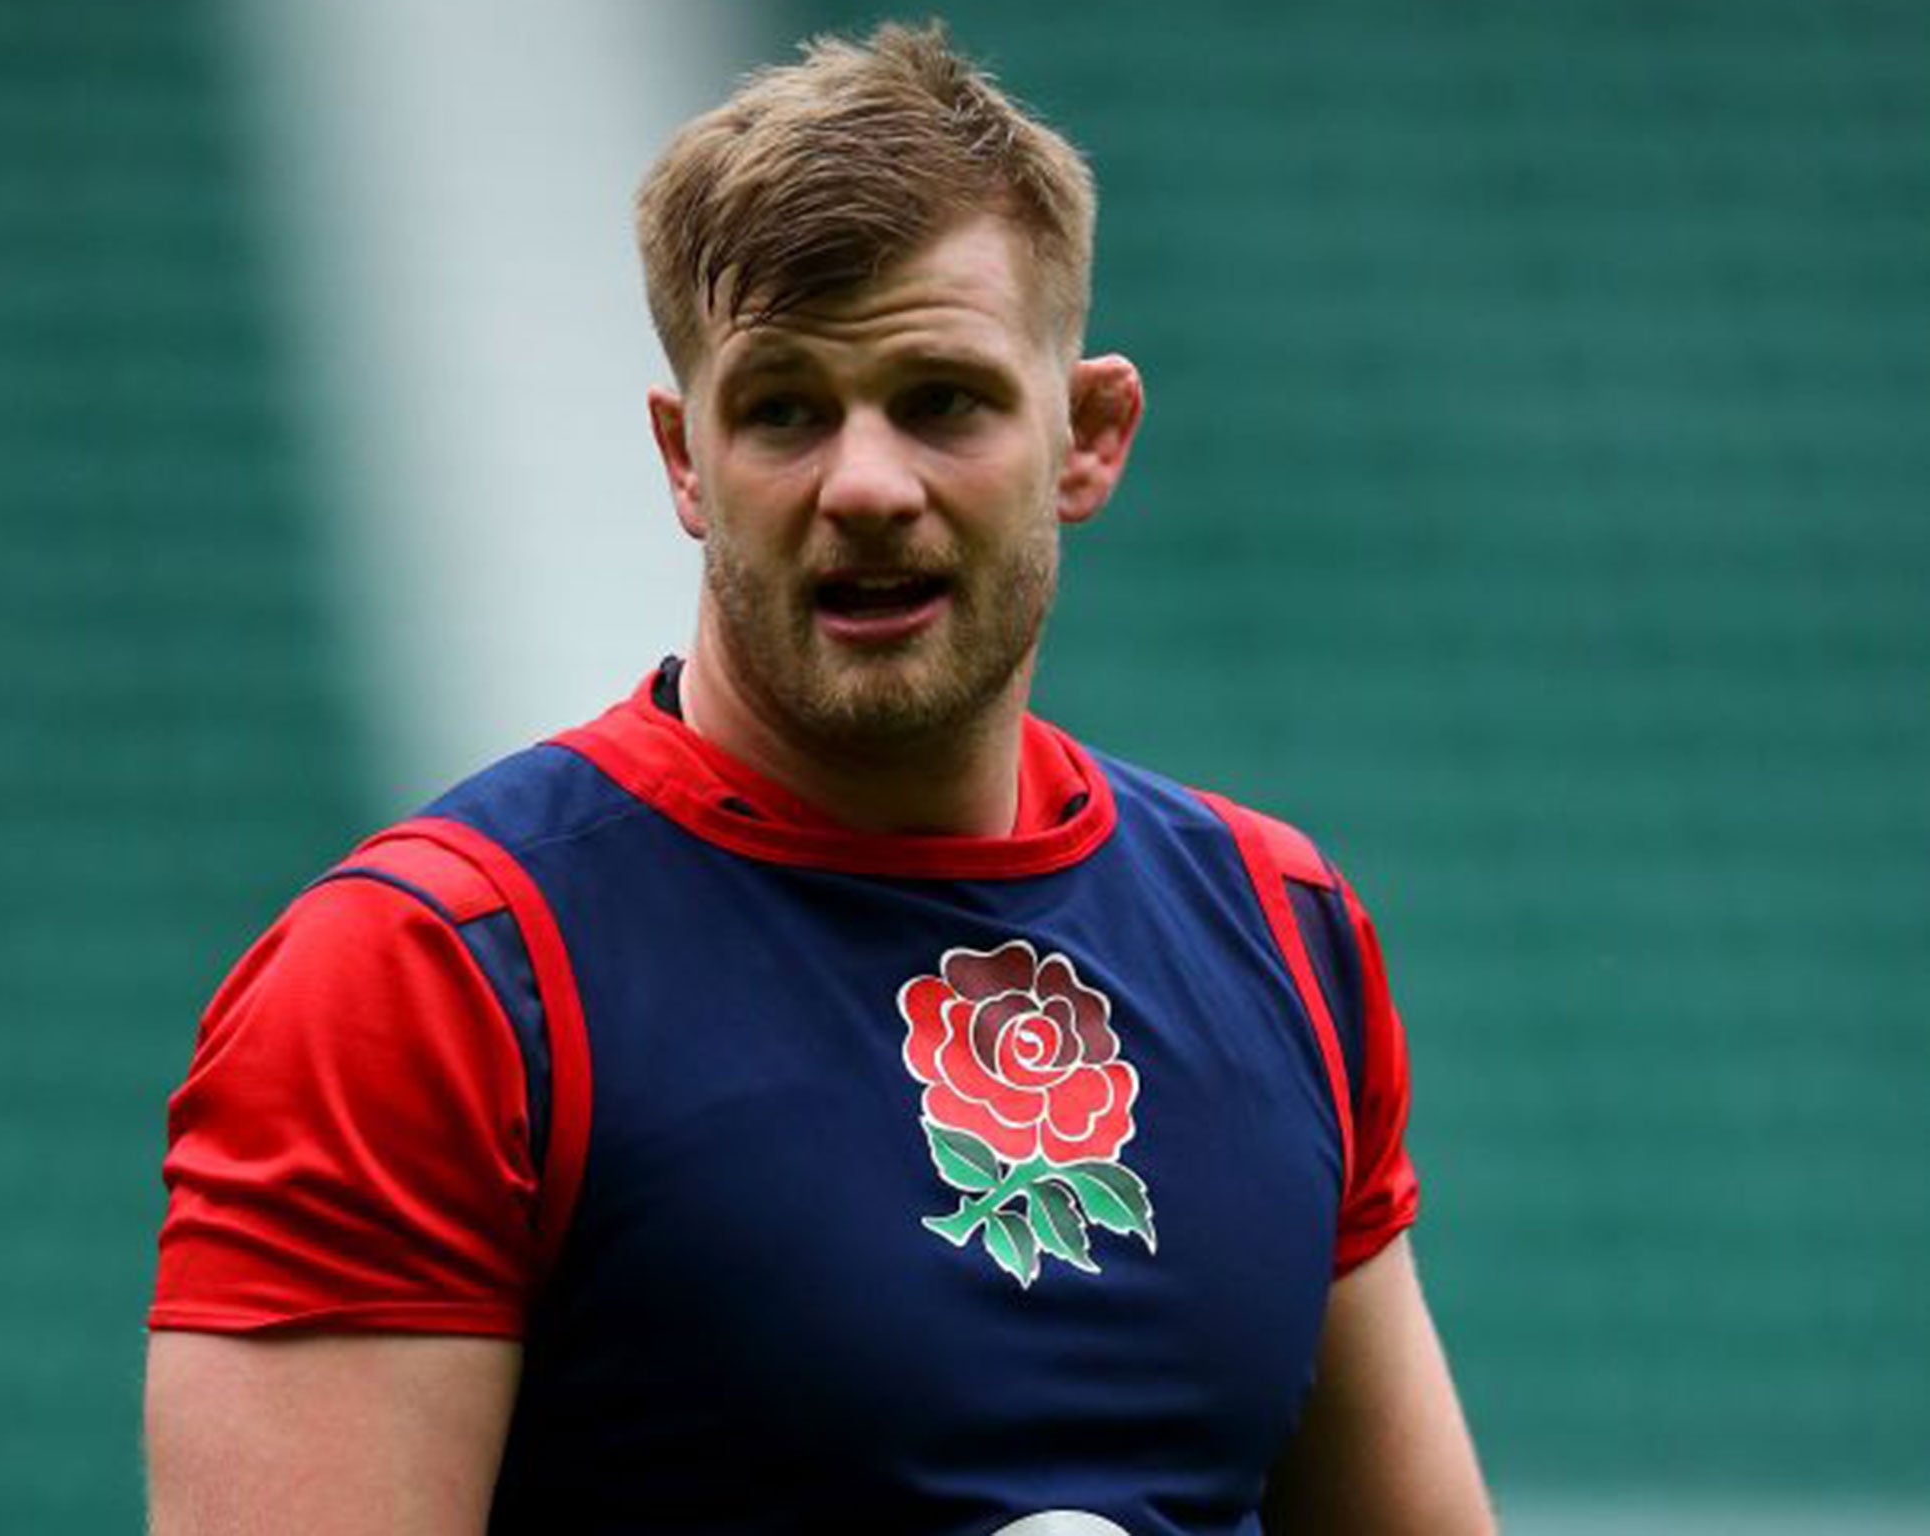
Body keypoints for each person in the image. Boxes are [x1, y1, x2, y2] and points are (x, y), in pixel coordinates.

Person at [145, 22, 1493, 1535]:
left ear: (1088, 437)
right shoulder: (427, 979)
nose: (864, 483)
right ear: (683, 458)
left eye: (943, 400)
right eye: (784, 408)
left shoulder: (1279, 930)